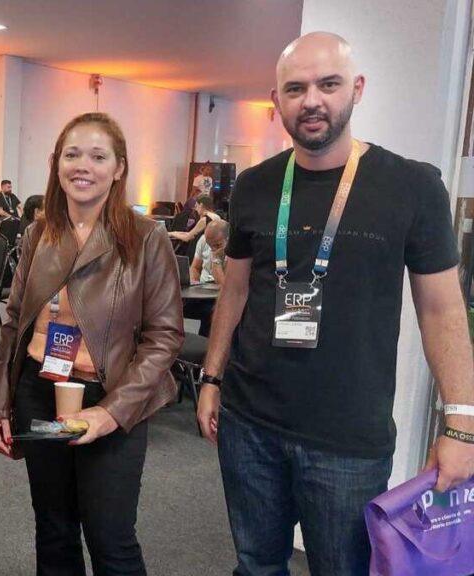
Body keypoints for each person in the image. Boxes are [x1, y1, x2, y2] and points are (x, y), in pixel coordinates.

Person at [196, 32, 474, 575]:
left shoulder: (412, 186)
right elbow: (236, 289)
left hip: (347, 439)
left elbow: (442, 310)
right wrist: (211, 378)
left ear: (357, 88)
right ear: (277, 100)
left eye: (328, 84)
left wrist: (461, 424)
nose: (312, 101)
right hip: (250, 422)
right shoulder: (255, 186)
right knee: (256, 565)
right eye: (295, 89)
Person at [0, 112, 184, 575]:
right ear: (56, 164)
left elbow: (165, 336)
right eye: (72, 155)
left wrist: (111, 412)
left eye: (98, 156)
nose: (83, 166)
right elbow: (13, 324)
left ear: (119, 168)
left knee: (110, 538)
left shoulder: (146, 238)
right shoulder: (38, 235)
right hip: (41, 396)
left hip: (109, 399)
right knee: (53, 528)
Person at [190, 219, 228, 286]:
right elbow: (195, 268)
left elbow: (224, 285)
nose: (213, 249)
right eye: (209, 244)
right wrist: (194, 285)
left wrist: (215, 259)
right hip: (202, 286)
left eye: (217, 245)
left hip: (218, 288)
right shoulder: (203, 240)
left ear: (228, 239)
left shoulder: (234, 253)